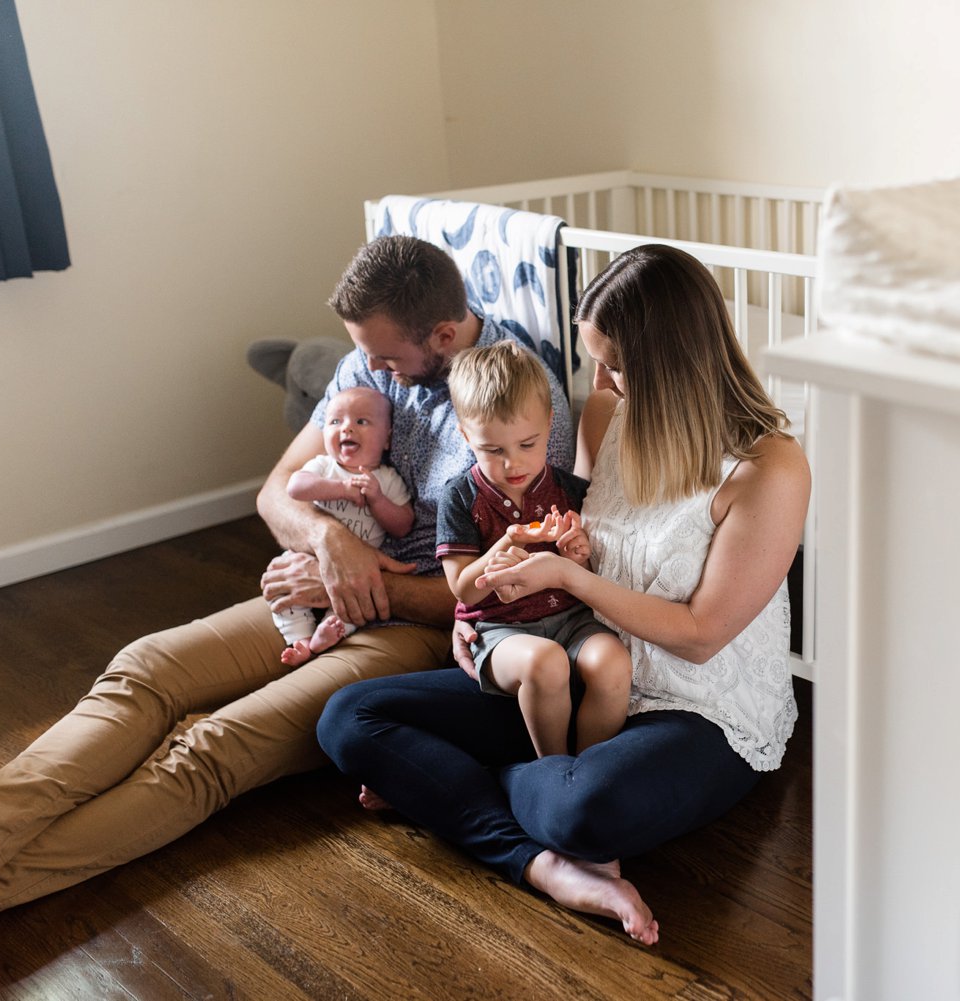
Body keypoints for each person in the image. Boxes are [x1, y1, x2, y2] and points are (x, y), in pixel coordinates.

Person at [0, 235, 572, 950]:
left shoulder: (518, 404)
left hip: (425, 628)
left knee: (211, 747)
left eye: (388, 357)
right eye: (368, 355)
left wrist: (368, 581)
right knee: (146, 666)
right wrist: (333, 545)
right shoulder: (367, 361)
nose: (374, 369)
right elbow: (276, 492)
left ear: (445, 335)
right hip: (325, 592)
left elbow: (500, 595)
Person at [317, 243, 810, 946]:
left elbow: (702, 631)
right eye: (595, 360)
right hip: (577, 666)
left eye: (614, 361)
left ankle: (471, 784)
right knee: (348, 718)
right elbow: (560, 532)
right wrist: (476, 606)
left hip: (697, 706)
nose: (600, 378)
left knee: (585, 808)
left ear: (669, 358)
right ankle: (542, 862)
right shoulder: (608, 415)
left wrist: (572, 578)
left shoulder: (770, 466)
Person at [437, 341, 631, 758]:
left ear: (549, 422)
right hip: (500, 631)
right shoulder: (459, 498)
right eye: (493, 450)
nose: (513, 465)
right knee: (545, 662)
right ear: (465, 435)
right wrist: (506, 543)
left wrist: (579, 555)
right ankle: (555, 766)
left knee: (613, 663)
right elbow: (464, 591)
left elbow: (589, 573)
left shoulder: (568, 490)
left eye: (528, 444)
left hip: (571, 618)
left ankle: (589, 768)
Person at [273, 386, 414, 667]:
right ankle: (299, 639)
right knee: (280, 584)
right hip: (309, 557)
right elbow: (296, 486)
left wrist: (376, 499)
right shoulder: (324, 466)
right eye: (335, 421)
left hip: (357, 574)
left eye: (361, 421)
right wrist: (341, 489)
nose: (346, 429)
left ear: (387, 439)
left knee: (356, 606)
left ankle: (326, 635)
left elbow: (402, 525)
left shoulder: (386, 479)